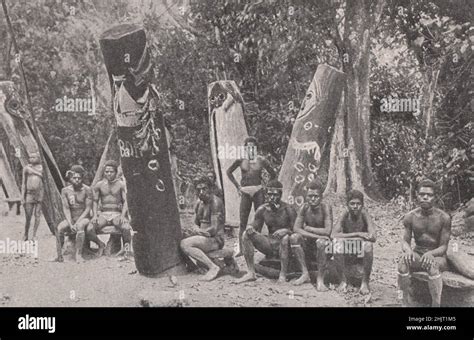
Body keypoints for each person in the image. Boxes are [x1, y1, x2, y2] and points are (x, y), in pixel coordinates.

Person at [397, 179, 451, 307]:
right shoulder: (410, 216)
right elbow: (405, 240)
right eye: (422, 194)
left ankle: (435, 305)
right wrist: (408, 251)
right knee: (402, 263)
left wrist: (431, 254)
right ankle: (403, 302)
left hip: (437, 256)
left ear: (435, 197)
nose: (425, 197)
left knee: (432, 266)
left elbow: (444, 247)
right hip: (418, 253)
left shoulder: (444, 218)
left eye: (429, 195)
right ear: (417, 195)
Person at [236, 180, 296, 284]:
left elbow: (297, 231)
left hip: (286, 245)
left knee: (286, 238)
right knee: (246, 235)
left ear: (280, 195)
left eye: (275, 195)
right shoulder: (262, 209)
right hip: (270, 244)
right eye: (269, 194)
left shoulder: (288, 209)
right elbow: (255, 225)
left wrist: (286, 230)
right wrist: (250, 227)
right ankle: (251, 272)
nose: (272, 198)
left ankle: (282, 274)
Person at [226, 137, 276, 256]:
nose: (250, 149)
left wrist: (266, 187)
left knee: (261, 218)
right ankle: (242, 248)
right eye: (248, 147)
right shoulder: (240, 160)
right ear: (245, 148)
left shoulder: (261, 160)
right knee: (243, 221)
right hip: (245, 191)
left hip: (258, 190)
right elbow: (229, 172)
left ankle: (260, 245)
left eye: (252, 147)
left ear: (256, 148)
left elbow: (273, 174)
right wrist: (237, 186)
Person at [180, 176, 226, 281]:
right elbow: (195, 223)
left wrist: (198, 231)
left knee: (184, 244)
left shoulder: (215, 203)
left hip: (215, 239)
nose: (201, 192)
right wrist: (194, 229)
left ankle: (213, 267)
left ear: (210, 189)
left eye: (204, 188)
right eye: (198, 189)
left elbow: (214, 229)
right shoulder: (199, 202)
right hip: (203, 236)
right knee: (178, 236)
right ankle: (193, 266)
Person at [291, 180, 333, 289]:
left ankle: (320, 279)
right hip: (309, 244)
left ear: (321, 197)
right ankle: (305, 273)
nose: (313, 199)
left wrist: (309, 228)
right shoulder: (304, 208)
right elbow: (296, 228)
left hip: (324, 246)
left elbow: (327, 231)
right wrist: (316, 235)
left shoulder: (325, 208)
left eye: (316, 196)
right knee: (294, 238)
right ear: (306, 196)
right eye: (310, 196)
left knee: (321, 242)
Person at [332, 190, 376, 295]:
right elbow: (333, 234)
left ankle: (365, 282)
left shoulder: (364, 214)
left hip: (359, 251)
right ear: (347, 205)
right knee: (337, 244)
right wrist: (358, 234)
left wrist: (359, 237)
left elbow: (373, 237)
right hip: (348, 249)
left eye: (358, 204)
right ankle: (343, 281)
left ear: (362, 205)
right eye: (352, 204)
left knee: (368, 246)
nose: (355, 206)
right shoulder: (345, 214)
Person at [86, 160, 131, 257]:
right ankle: (101, 245)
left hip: (116, 214)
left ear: (115, 172)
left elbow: (126, 201)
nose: (109, 174)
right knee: (89, 229)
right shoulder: (99, 185)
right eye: (107, 172)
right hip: (104, 214)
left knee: (126, 227)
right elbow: (95, 201)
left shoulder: (121, 184)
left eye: (111, 172)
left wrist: (123, 215)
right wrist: (94, 216)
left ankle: (126, 250)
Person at [55, 165, 92, 263]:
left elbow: (88, 209)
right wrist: (70, 223)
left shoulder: (87, 190)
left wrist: (77, 222)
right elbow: (66, 208)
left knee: (80, 226)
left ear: (82, 178)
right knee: (60, 228)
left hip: (84, 218)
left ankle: (78, 254)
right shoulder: (65, 190)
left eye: (79, 178)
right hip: (71, 218)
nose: (77, 180)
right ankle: (59, 255)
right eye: (74, 178)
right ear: (71, 178)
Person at [21, 152, 43, 241]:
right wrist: (22, 196)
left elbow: (42, 175)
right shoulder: (26, 168)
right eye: (30, 157)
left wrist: (33, 170)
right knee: (28, 216)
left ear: (38, 158)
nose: (31, 159)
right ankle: (26, 233)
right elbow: (23, 183)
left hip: (39, 193)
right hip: (29, 194)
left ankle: (34, 235)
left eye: (33, 157)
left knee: (37, 215)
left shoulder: (41, 167)